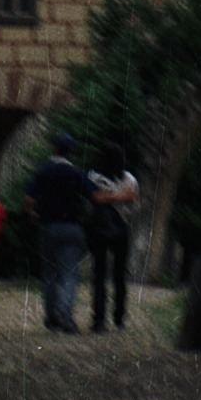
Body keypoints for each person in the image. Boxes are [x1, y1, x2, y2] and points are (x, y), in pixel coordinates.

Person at [24, 132, 134, 332]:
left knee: (49, 274)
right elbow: (97, 198)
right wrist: (121, 196)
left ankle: (51, 318)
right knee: (68, 274)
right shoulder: (75, 173)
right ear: (71, 153)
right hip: (70, 227)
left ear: (54, 149)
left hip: (47, 226)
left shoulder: (43, 171)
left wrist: (33, 214)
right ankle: (65, 315)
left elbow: (29, 200)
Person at [86, 141, 139, 332]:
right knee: (119, 275)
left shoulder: (94, 176)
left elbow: (97, 198)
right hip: (121, 228)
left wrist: (108, 196)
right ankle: (119, 317)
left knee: (99, 275)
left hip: (100, 228)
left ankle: (99, 319)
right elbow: (131, 198)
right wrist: (120, 196)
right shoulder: (129, 180)